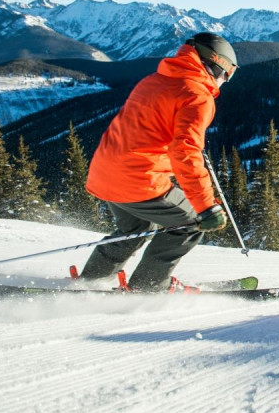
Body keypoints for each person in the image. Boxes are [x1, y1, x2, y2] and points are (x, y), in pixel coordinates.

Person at [80, 33, 238, 291]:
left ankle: (90, 281)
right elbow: (184, 152)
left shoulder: (155, 80)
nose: (224, 82)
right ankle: (148, 287)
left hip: (104, 172)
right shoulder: (197, 95)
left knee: (135, 229)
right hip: (138, 180)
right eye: (227, 75)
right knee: (188, 223)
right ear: (217, 65)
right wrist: (205, 206)